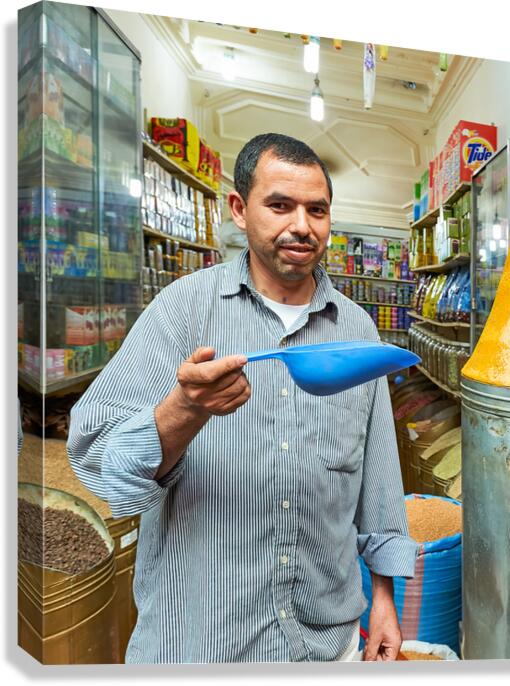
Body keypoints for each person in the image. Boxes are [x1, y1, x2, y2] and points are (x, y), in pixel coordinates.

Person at [68, 133, 418, 663]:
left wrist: (386, 599)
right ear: (239, 208)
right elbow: (97, 459)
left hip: (327, 644)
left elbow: (379, 480)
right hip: (202, 642)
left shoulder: (356, 329)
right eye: (280, 205)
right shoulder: (182, 310)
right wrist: (184, 411)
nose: (301, 225)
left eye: (316, 210)